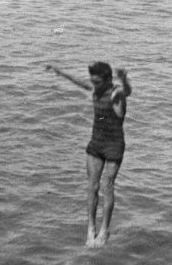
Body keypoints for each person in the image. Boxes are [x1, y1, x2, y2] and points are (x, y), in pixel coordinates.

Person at [46, 61, 131, 247]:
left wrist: (124, 79)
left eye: (98, 82)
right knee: (92, 186)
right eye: (93, 81)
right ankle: (91, 228)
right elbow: (79, 82)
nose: (94, 85)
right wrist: (59, 71)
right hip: (96, 142)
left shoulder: (116, 92)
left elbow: (127, 92)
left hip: (114, 145)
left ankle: (104, 230)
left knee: (107, 185)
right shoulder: (96, 88)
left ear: (108, 80)